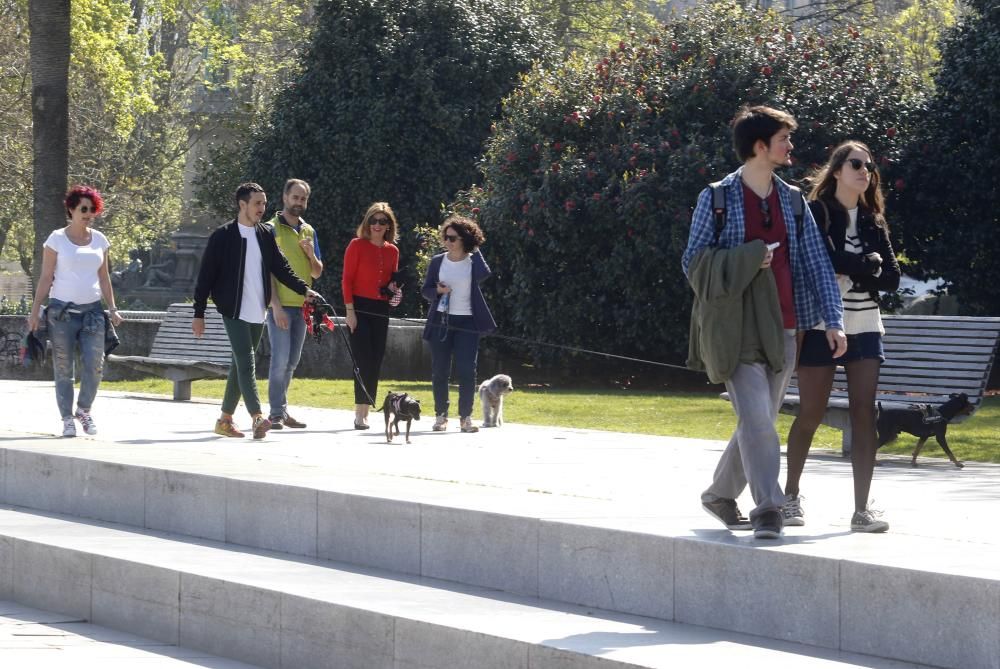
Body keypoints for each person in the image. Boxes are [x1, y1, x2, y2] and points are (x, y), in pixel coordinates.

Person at [682, 105, 846, 539]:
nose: (790, 146)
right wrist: (751, 256)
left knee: (758, 421)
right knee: (757, 417)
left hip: (788, 326)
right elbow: (692, 262)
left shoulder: (793, 201)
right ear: (760, 146)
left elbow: (815, 263)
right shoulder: (716, 197)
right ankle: (770, 508)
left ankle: (719, 493)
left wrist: (834, 319)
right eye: (783, 139)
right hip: (734, 327)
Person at [783, 141, 900, 533]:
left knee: (865, 413)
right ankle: (789, 497)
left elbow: (892, 278)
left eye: (869, 166)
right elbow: (818, 261)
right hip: (821, 322)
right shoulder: (818, 213)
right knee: (811, 413)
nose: (864, 170)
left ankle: (861, 510)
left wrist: (856, 268)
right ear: (836, 171)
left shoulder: (874, 220)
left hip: (865, 324)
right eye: (856, 164)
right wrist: (865, 265)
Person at [192, 182, 319, 440]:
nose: (262, 208)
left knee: (239, 365)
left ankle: (225, 419)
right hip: (233, 308)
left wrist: (305, 289)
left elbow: (282, 268)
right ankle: (257, 416)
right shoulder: (223, 235)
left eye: (263, 203)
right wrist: (199, 312)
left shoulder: (264, 234)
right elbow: (205, 276)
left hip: (257, 309)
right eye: (257, 203)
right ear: (242, 205)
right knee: (246, 359)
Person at [27, 185, 124, 437]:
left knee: (95, 364)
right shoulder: (56, 239)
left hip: (93, 311)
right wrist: (35, 311)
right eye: (83, 209)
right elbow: (46, 277)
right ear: (71, 209)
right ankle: (67, 418)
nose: (88, 213)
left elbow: (104, 278)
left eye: (92, 209)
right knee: (64, 368)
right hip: (62, 313)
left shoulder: (100, 240)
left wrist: (112, 307)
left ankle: (84, 409)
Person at [421, 215, 496, 433]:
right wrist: (438, 291)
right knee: (440, 371)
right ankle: (440, 416)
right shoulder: (437, 261)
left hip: (467, 322)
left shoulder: (473, 262)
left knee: (466, 370)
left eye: (453, 238)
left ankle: (466, 418)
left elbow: (485, 273)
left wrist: (475, 248)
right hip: (442, 321)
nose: (448, 241)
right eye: (446, 237)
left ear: (464, 239)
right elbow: (426, 290)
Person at [265, 179, 323, 429]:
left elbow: (318, 273)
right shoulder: (269, 229)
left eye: (303, 199)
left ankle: (282, 410)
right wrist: (275, 306)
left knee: (291, 361)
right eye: (295, 197)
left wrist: (310, 255)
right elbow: (265, 272)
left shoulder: (309, 230)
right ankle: (276, 413)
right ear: (285, 197)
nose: (299, 202)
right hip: (280, 306)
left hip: (303, 308)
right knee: (279, 360)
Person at [342, 202, 400, 429]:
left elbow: (391, 281)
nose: (377, 225)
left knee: (375, 359)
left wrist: (395, 289)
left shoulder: (392, 250)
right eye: (373, 221)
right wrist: (349, 311)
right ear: (367, 223)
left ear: (388, 226)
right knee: (362, 358)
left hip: (381, 308)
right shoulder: (356, 245)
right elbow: (346, 280)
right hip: (358, 307)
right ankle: (360, 413)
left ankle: (368, 407)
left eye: (382, 221)